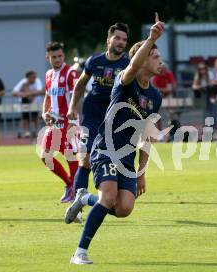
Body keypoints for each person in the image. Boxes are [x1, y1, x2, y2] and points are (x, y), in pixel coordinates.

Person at [68, 14, 164, 264]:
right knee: (109, 198)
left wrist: (142, 171)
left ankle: (85, 198)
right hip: (106, 148)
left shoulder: (155, 96)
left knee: (123, 209)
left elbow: (147, 135)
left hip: (127, 158)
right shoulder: (125, 80)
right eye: (155, 57)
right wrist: (151, 38)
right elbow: (132, 66)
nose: (160, 62)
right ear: (142, 60)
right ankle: (80, 252)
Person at [66, 23, 130, 212]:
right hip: (92, 117)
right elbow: (80, 85)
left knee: (114, 161)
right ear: (108, 39)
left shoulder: (128, 64)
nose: (120, 42)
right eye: (117, 38)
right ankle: (76, 203)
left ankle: (104, 197)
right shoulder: (94, 61)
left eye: (124, 40)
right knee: (84, 159)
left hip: (114, 121)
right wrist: (72, 107)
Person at [40, 42, 79, 203]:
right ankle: (70, 184)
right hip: (54, 122)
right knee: (45, 156)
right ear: (47, 57)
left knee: (70, 156)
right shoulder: (49, 74)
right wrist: (44, 112)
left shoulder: (70, 73)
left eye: (60, 56)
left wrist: (73, 122)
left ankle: (77, 191)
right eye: (54, 57)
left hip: (68, 122)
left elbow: (76, 97)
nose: (57, 59)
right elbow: (48, 96)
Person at [12, 70, 45, 138]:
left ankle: (35, 131)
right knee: (25, 117)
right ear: (28, 78)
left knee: (34, 117)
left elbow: (40, 91)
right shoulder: (24, 82)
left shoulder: (37, 81)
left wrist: (27, 94)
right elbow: (14, 92)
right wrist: (24, 94)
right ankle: (27, 132)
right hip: (25, 102)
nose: (34, 79)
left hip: (35, 102)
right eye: (32, 77)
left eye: (35, 77)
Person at [192, 61, 217, 132]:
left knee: (213, 112)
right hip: (204, 95)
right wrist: (200, 87)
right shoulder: (198, 76)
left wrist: (206, 85)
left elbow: (213, 83)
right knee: (205, 113)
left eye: (203, 68)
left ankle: (214, 129)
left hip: (211, 95)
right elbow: (194, 86)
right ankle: (207, 129)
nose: (202, 70)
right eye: (200, 69)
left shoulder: (210, 74)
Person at [152, 63, 177, 132]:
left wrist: (171, 89)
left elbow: (174, 84)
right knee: (157, 114)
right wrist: (163, 90)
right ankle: (159, 130)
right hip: (159, 96)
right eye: (161, 70)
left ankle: (172, 129)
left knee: (171, 112)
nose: (163, 71)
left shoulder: (169, 74)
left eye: (164, 70)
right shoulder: (157, 76)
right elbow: (155, 87)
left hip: (168, 95)